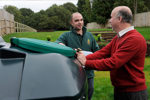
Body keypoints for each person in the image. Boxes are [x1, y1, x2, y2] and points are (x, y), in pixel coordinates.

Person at [76, 6, 148, 100]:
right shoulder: (119, 37)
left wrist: (86, 62)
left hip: (133, 93)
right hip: (121, 90)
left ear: (119, 19)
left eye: (111, 17)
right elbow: (102, 52)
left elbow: (113, 62)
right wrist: (82, 57)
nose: (110, 20)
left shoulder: (134, 39)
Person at [55, 12, 99, 100]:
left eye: (81, 20)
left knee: (90, 90)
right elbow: (57, 44)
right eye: (76, 20)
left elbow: (97, 51)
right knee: (76, 95)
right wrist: (70, 49)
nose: (80, 22)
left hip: (89, 72)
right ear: (71, 22)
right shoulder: (66, 35)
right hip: (73, 72)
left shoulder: (89, 35)